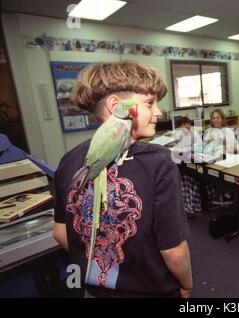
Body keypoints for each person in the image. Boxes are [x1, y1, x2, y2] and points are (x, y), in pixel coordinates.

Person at [52, 60, 193, 298]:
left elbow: (60, 232)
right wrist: (187, 284)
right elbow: (173, 251)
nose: (158, 112)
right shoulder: (158, 162)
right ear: (116, 106)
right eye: (150, 103)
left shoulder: (68, 161)